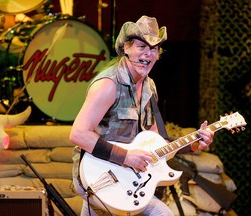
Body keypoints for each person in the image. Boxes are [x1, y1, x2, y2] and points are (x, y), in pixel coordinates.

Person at [69, 15, 214, 216]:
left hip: (127, 177)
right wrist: (127, 157)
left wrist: (194, 143)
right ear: (126, 48)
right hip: (98, 174)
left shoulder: (150, 87)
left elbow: (157, 143)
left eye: (153, 48)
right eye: (141, 46)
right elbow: (78, 134)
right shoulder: (108, 85)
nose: (147, 54)